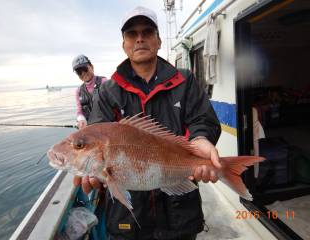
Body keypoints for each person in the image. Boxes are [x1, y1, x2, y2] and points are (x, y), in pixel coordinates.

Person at [74, 6, 222, 240]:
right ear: (124, 44)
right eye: (131, 34)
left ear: (159, 40)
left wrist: (200, 139)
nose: (139, 38)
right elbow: (95, 137)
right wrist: (92, 169)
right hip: (128, 219)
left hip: (179, 214)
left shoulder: (185, 81)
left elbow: (203, 120)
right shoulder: (108, 92)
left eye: (147, 31)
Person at [72, 54, 106, 129]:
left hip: (107, 128)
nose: (83, 73)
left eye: (85, 69)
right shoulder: (78, 91)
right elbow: (79, 111)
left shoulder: (105, 82)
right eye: (79, 72)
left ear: (92, 67)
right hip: (91, 130)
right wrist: (81, 120)